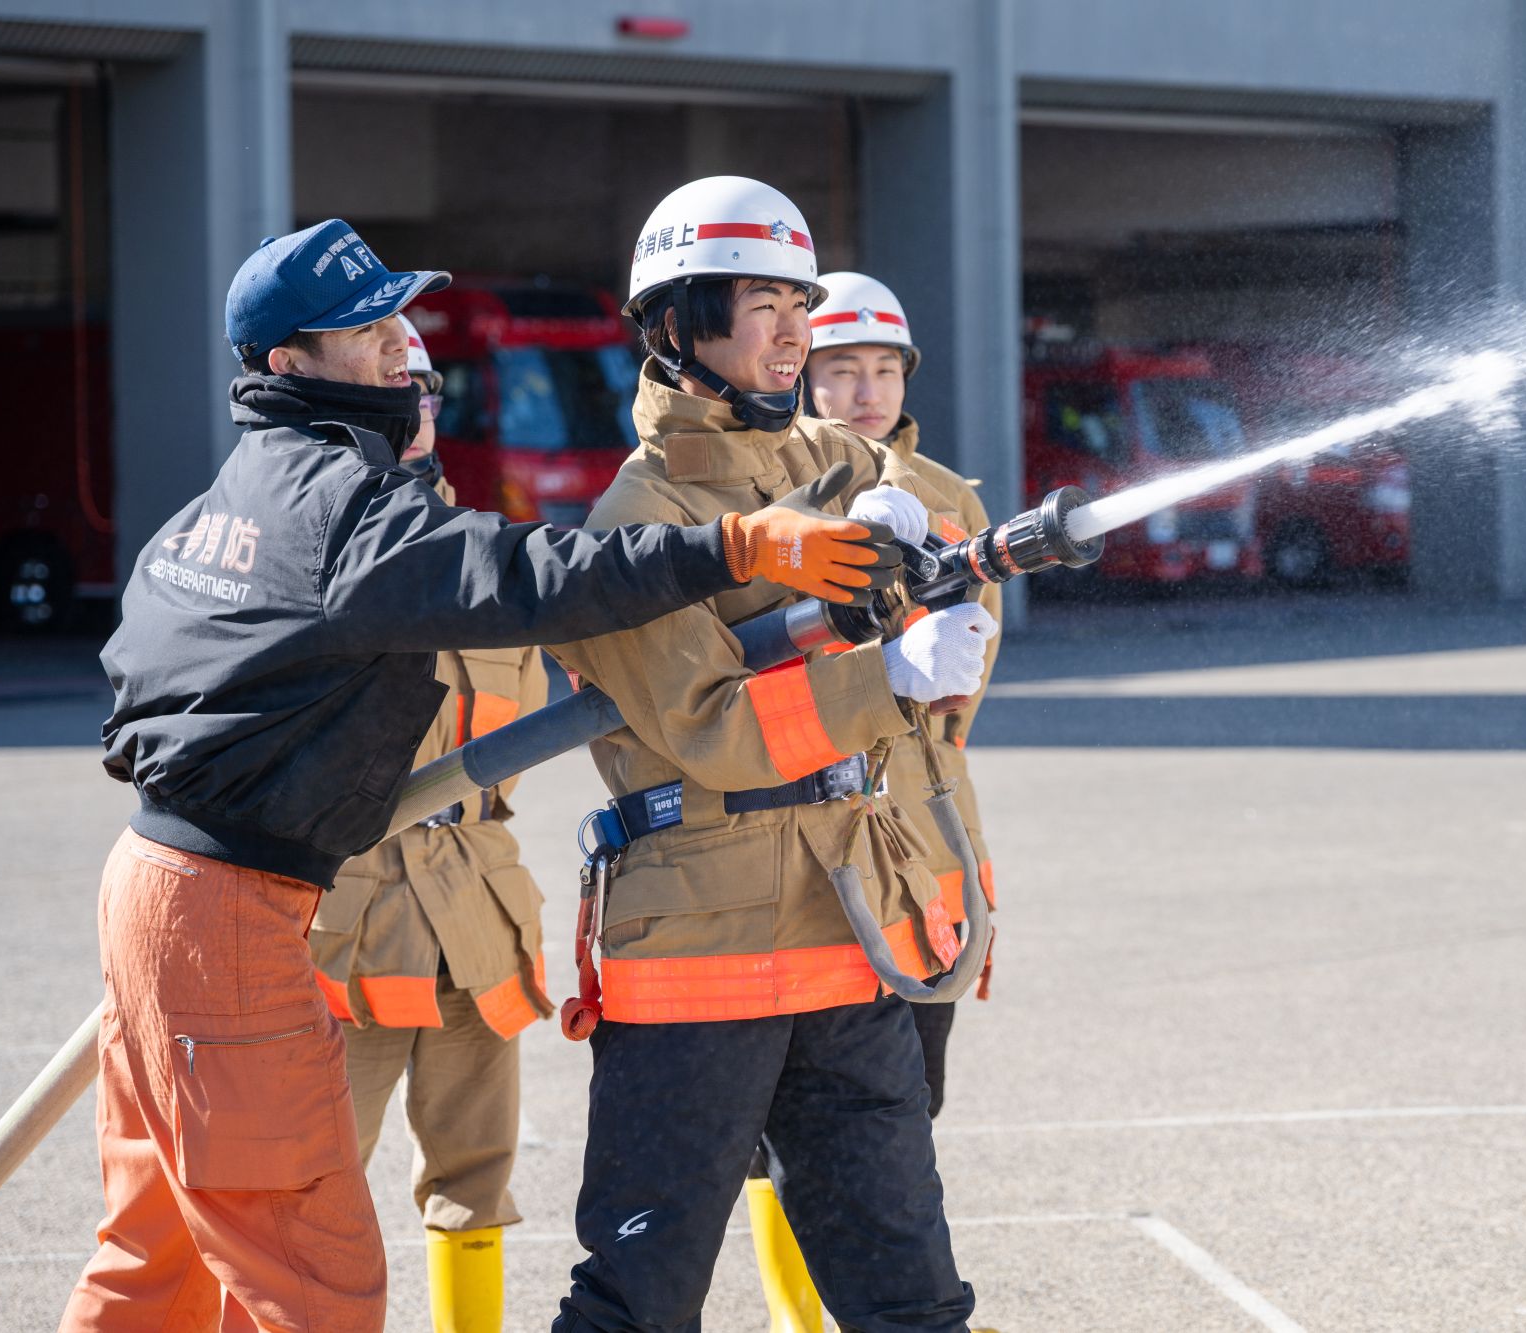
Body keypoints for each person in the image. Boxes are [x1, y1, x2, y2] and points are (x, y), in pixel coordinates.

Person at [64, 217, 901, 1333]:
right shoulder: (337, 504)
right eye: (365, 330)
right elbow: (523, 573)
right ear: (286, 363)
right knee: (311, 1274)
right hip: (228, 913)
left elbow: (133, 667)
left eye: (395, 315)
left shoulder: (234, 497)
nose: (397, 345)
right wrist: (736, 548)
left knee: (153, 1256)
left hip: (161, 882)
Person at [545, 176, 995, 1333]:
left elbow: (945, 568)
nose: (798, 329)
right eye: (759, 303)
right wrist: (887, 674)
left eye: (800, 300)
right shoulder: (633, 524)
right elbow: (719, 729)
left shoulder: (829, 463)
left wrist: (946, 581)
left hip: (849, 923)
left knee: (912, 1294)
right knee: (638, 1301)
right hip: (702, 950)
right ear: (679, 322)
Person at [723, 272, 1006, 1331]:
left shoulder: (947, 494)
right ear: (799, 372)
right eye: (840, 367)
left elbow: (965, 675)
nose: (864, 389)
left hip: (924, 831)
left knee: (903, 1105)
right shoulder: (776, 500)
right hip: (805, 829)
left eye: (883, 368)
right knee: (781, 1118)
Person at [306, 314, 548, 1333]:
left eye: (428, 384)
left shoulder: (479, 551)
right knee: (307, 1186)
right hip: (343, 931)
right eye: (393, 375)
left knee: (476, 1174)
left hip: (474, 919)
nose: (415, 400)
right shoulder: (304, 543)